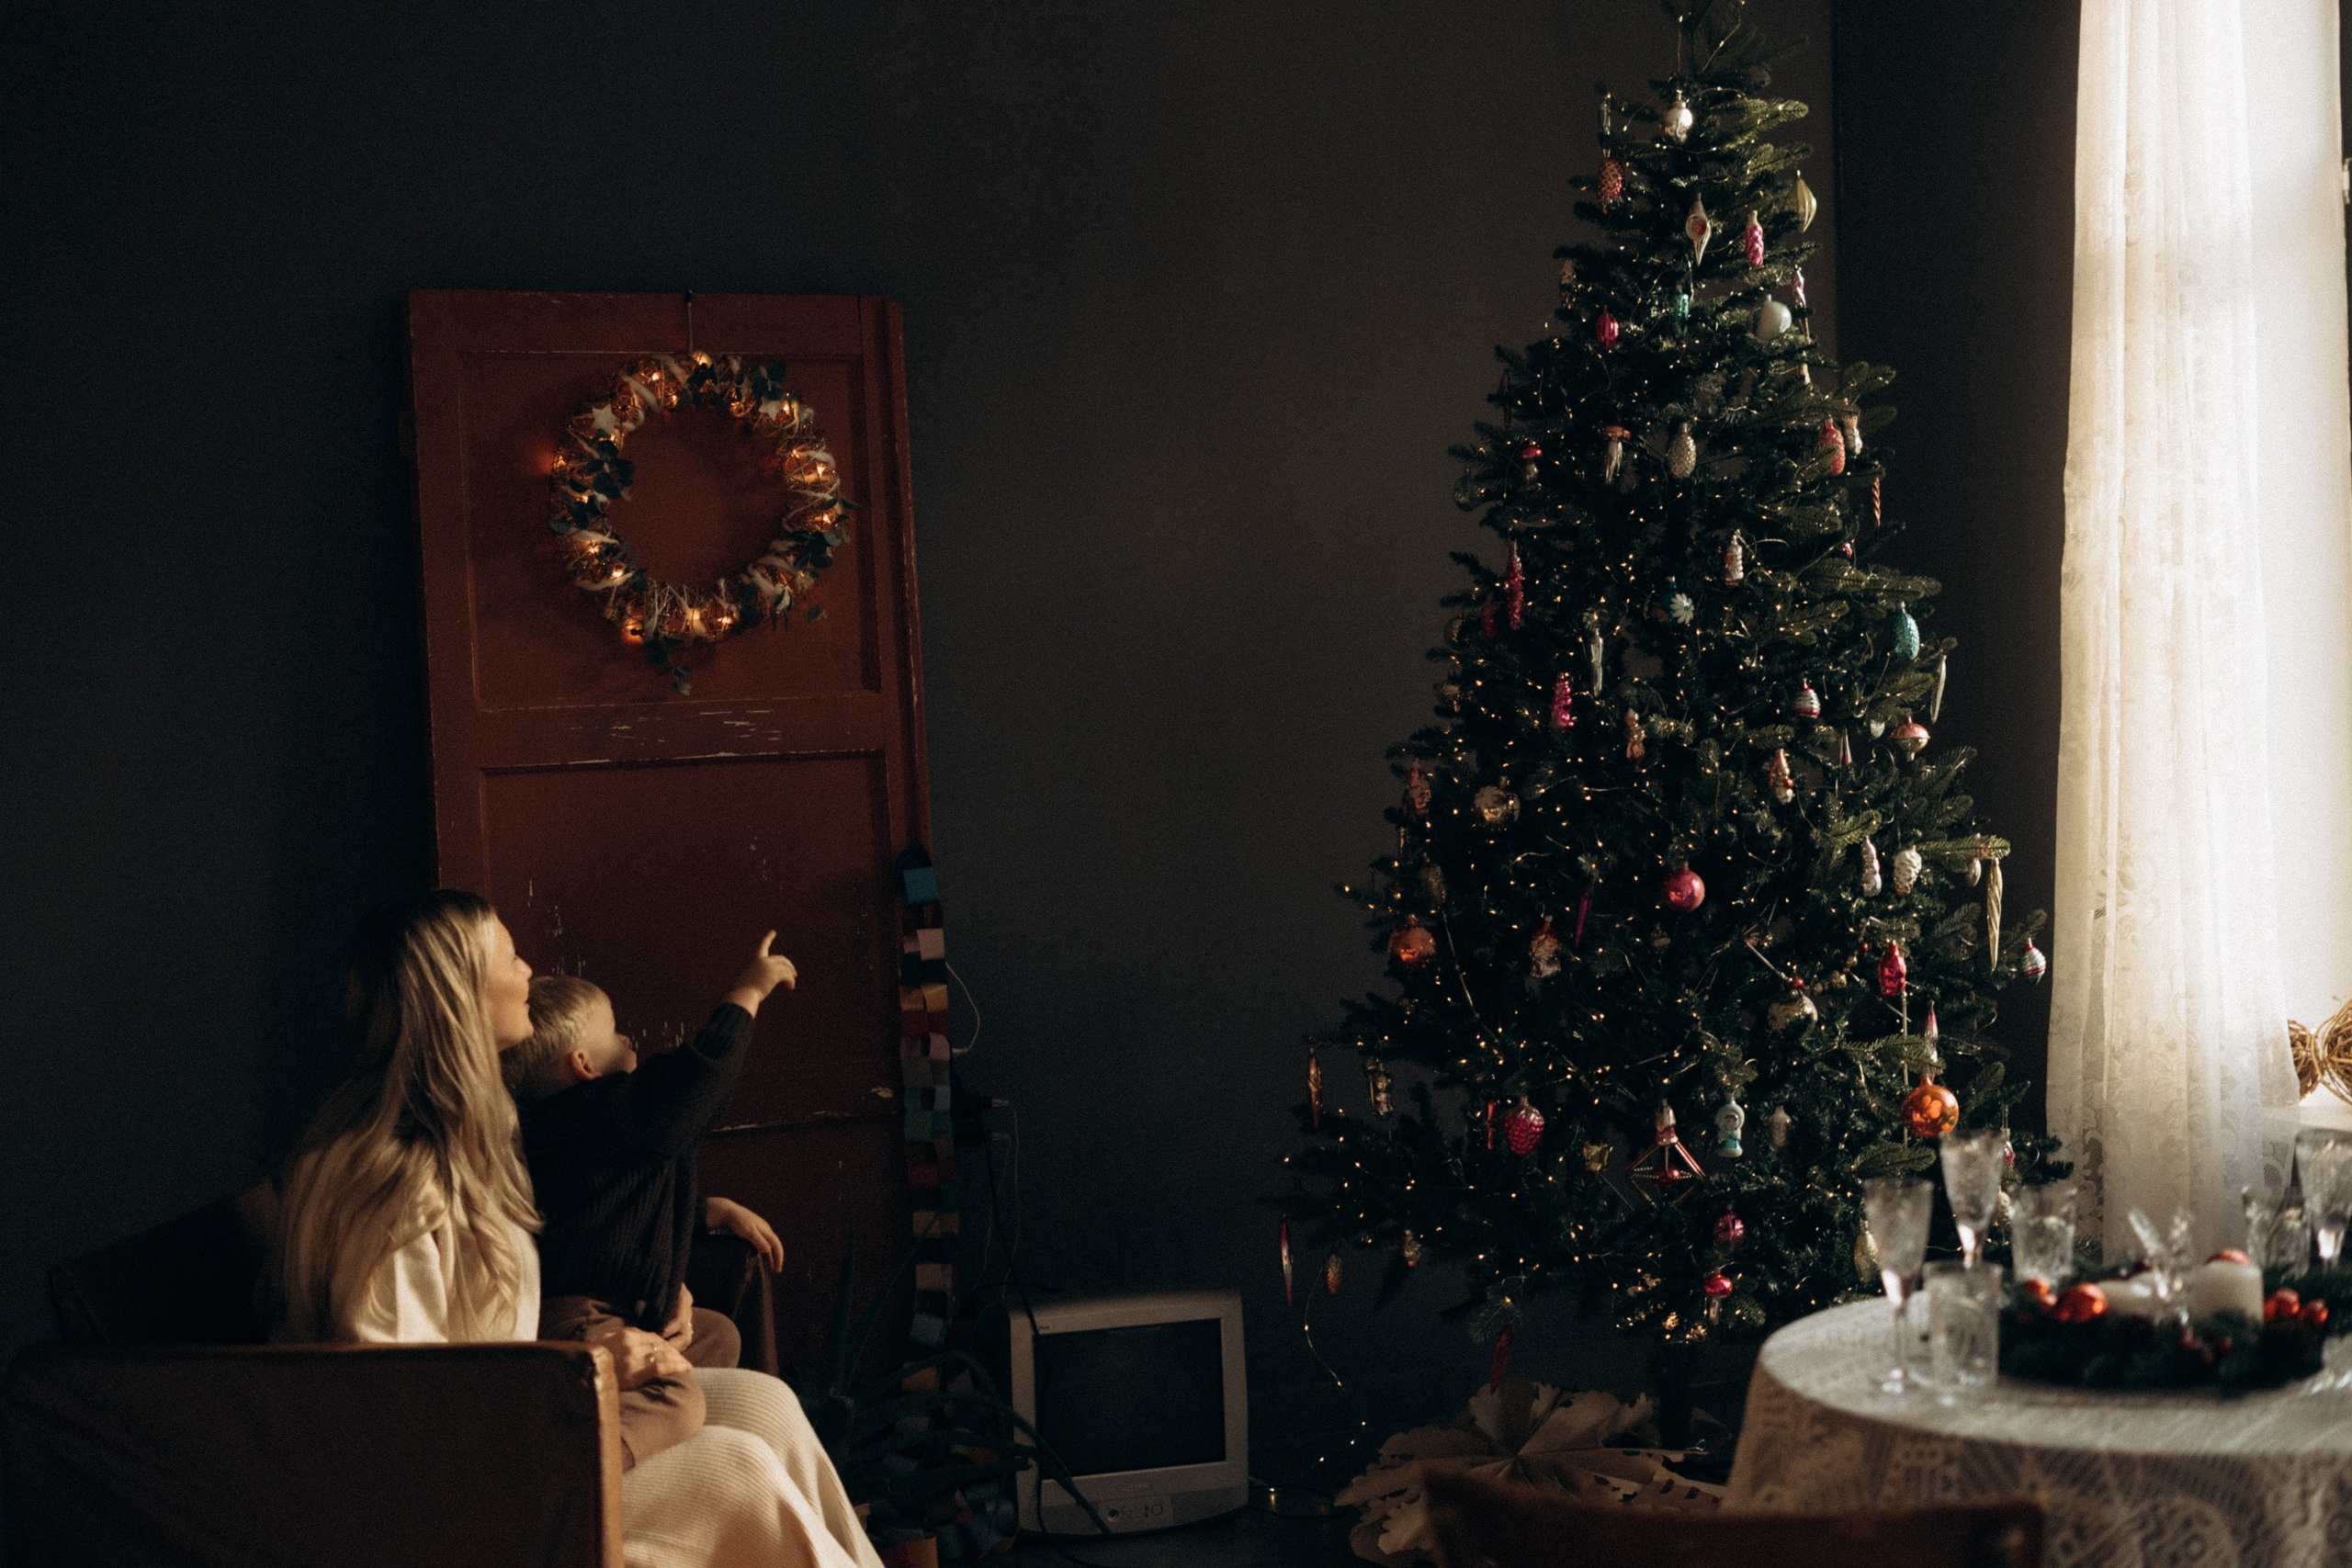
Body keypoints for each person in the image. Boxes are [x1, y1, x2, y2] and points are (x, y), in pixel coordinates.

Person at [269, 887, 882, 1568]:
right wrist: (578, 1372)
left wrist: (657, 1288)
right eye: (509, 955)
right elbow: (400, 1406)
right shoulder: (394, 1184)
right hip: (466, 1489)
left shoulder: (484, 1136)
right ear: (460, 995)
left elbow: (527, 1293)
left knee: (766, 1406)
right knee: (737, 1469)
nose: (529, 968)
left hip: (518, 1418)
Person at [502, 948, 795, 1445]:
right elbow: (697, 1082)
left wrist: (708, 1211)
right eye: (614, 1030)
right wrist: (747, 992)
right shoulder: (602, 1111)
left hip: (622, 1310)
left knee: (718, 1335)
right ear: (583, 1065)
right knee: (677, 1400)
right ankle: (572, 1467)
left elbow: (616, 1210)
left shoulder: (576, 1126)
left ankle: (642, 1416)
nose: (628, 1037)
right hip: (581, 1321)